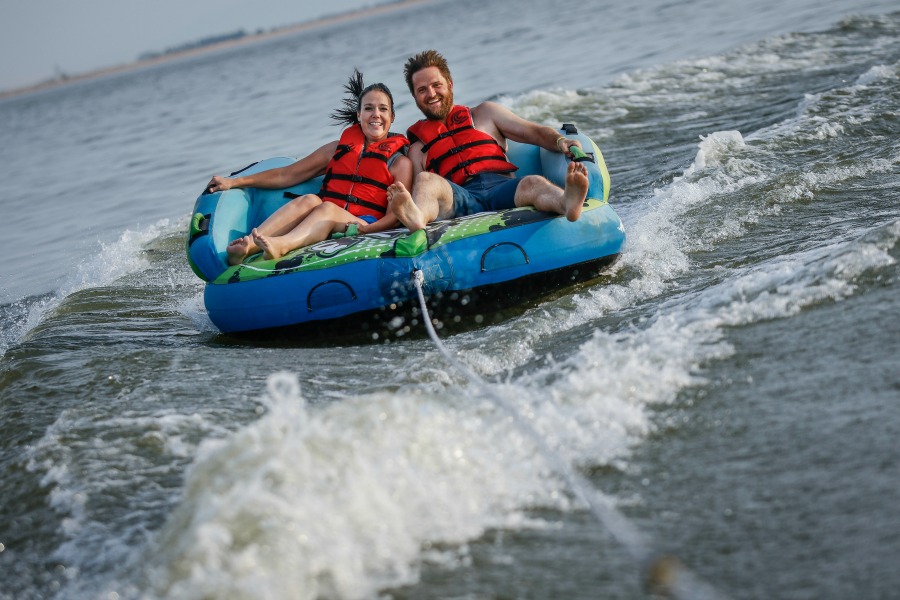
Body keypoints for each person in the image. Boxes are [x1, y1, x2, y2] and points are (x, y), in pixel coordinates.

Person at [206, 70, 413, 264]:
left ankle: (283, 244)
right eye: (368, 108)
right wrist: (234, 182)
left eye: (383, 109)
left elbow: (396, 215)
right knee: (310, 200)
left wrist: (367, 229)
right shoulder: (336, 150)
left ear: (392, 117)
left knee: (327, 207)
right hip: (323, 220)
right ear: (359, 115)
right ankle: (250, 245)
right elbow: (287, 175)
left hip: (366, 225)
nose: (376, 114)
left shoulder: (399, 163)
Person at [387, 49, 590, 233]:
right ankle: (417, 218)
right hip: (461, 199)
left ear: (450, 85)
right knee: (425, 180)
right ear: (414, 97)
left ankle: (567, 202)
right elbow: (423, 192)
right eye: (422, 90)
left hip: (502, 188)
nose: (431, 94)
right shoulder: (418, 148)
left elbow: (535, 133)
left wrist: (561, 141)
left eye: (436, 85)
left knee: (533, 182)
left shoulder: (486, 114)